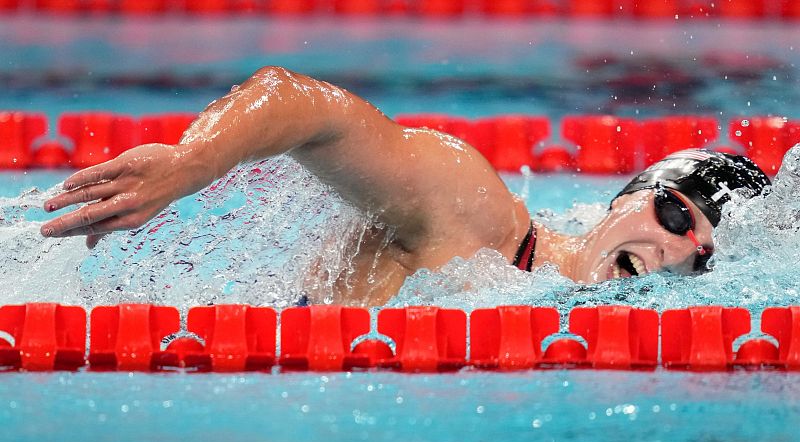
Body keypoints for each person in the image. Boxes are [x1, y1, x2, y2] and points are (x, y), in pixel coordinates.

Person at [39, 67, 771, 306]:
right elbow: (306, 105)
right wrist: (192, 163)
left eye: (703, 256)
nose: (679, 250)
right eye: (678, 216)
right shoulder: (476, 214)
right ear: (627, 197)